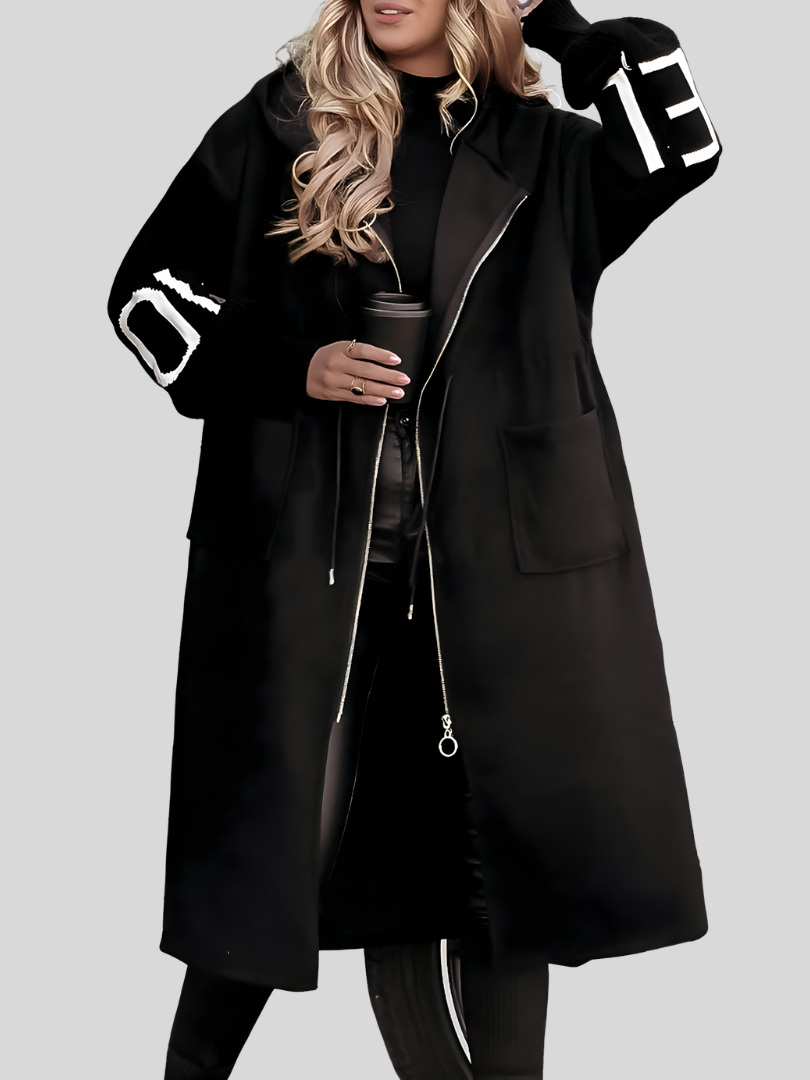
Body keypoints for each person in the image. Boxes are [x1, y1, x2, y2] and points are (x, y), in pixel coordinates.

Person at [107, 1, 721, 1076]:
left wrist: (561, 26)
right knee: (272, 853)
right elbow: (144, 297)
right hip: (310, 550)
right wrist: (293, 366)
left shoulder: (546, 150)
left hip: (502, 555)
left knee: (497, 860)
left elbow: (682, 148)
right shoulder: (283, 123)